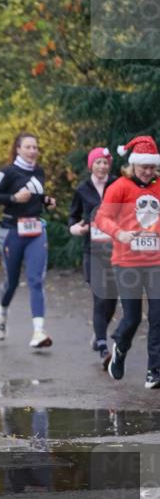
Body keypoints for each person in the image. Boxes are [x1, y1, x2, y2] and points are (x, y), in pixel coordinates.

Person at [95, 135, 160, 388]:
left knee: (158, 317)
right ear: (133, 165)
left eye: (151, 167)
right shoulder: (120, 186)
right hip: (127, 261)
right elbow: (102, 218)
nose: (147, 172)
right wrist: (119, 233)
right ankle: (120, 350)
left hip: (156, 261)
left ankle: (154, 372)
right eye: (143, 167)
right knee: (133, 317)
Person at [0, 131, 57, 349]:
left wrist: (46, 201)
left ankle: (38, 331)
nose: (32, 151)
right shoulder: (7, 172)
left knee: (36, 279)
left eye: (35, 147)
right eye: (28, 147)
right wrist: (13, 198)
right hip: (12, 230)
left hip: (35, 229)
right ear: (18, 149)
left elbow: (35, 195)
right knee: (12, 281)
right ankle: (3, 312)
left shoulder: (39, 171)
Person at [68, 146, 119, 363]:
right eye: (98, 162)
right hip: (93, 250)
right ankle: (102, 347)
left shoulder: (117, 184)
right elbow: (73, 217)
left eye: (105, 162)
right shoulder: (82, 189)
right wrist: (77, 229)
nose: (102, 166)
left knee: (111, 300)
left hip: (116, 250)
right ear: (91, 165)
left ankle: (98, 335)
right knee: (100, 298)